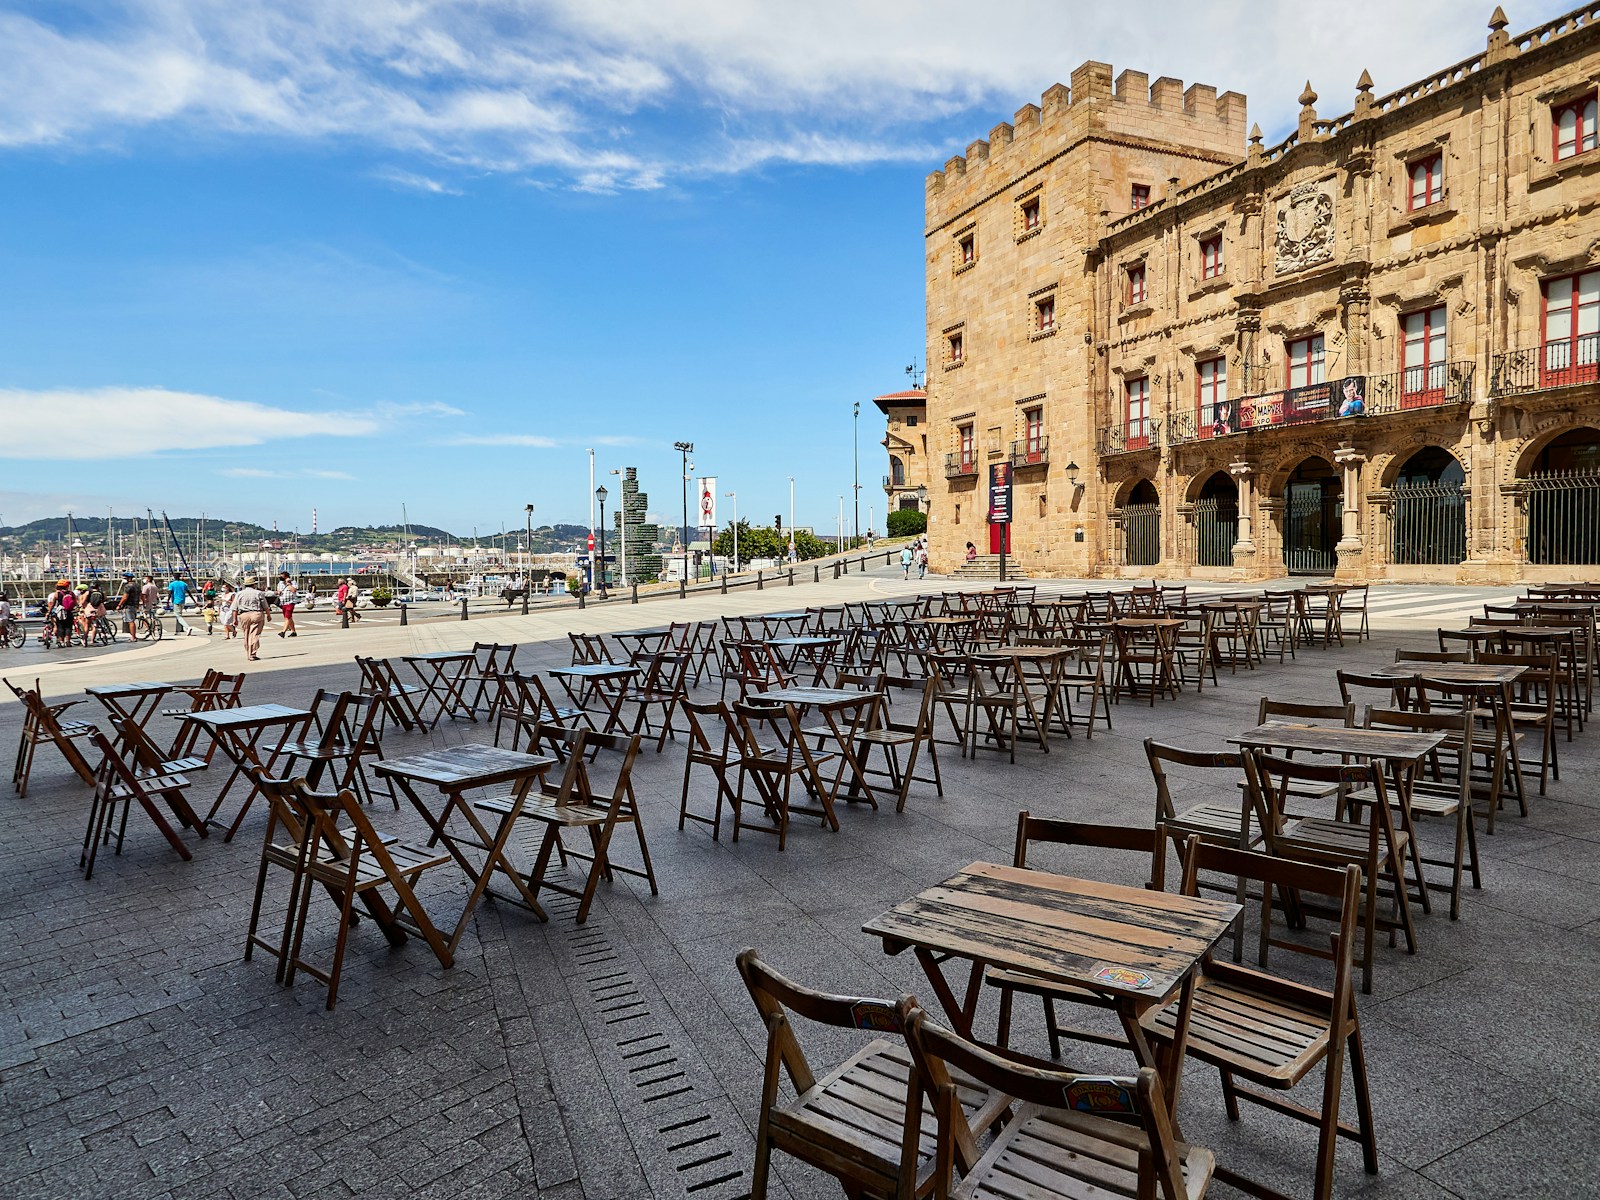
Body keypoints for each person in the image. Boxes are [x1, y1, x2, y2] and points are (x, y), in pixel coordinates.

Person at [235, 575, 268, 660]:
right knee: (254, 634)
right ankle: (252, 653)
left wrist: (235, 619)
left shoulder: (239, 594)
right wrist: (268, 615)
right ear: (254, 585)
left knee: (246, 634)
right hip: (256, 613)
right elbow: (265, 606)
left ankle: (248, 652)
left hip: (243, 614)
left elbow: (234, 608)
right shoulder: (258, 593)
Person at [50, 579, 74, 648]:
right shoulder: (71, 593)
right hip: (69, 612)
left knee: (60, 626)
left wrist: (49, 611)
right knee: (68, 627)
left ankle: (61, 641)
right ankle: (68, 641)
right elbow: (75, 602)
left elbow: (53, 604)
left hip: (60, 612)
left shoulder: (57, 594)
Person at [116, 573, 140, 639]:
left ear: (128, 578)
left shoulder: (128, 586)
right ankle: (133, 635)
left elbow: (125, 597)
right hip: (135, 604)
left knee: (130, 621)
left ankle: (133, 637)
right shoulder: (137, 585)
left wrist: (119, 605)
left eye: (125, 578)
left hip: (129, 605)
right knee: (132, 620)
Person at [276, 572, 298, 638]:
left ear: (286, 577)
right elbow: (278, 591)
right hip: (283, 602)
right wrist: (278, 592)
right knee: (289, 617)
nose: (280, 578)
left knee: (287, 617)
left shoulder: (293, 582)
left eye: (282, 576)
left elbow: (294, 590)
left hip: (290, 602)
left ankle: (283, 632)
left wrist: (288, 584)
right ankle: (293, 631)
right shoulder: (280, 583)